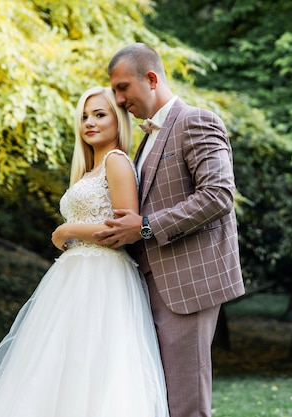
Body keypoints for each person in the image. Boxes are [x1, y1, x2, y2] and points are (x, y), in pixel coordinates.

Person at [0, 86, 169, 417]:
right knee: (57, 365)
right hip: (73, 277)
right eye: (84, 116)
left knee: (92, 366)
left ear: (118, 120)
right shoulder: (90, 169)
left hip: (103, 278)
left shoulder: (117, 162)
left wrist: (68, 231)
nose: (89, 123)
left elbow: (125, 231)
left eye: (99, 114)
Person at [93, 43, 245, 417]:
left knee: (186, 403)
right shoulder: (146, 139)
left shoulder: (196, 120)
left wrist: (144, 228)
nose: (118, 98)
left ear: (151, 78)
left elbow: (218, 195)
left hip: (187, 283)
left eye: (122, 87)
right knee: (159, 399)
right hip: (148, 283)